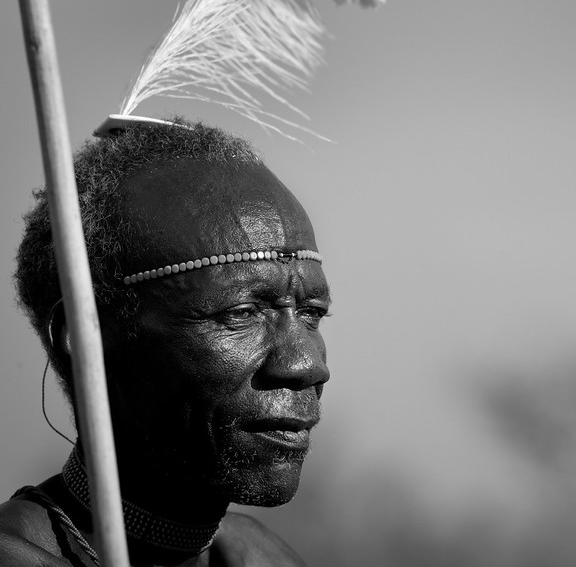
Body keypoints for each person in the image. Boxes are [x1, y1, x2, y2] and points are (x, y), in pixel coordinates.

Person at [0, 120, 331, 566]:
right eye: (241, 314)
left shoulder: (261, 558)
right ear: (86, 334)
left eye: (311, 313)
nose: (307, 365)